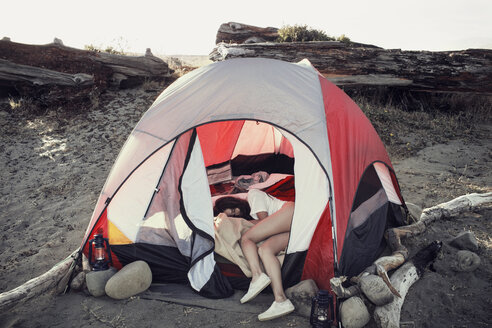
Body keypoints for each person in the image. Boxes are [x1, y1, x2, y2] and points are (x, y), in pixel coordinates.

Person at [214, 189, 295, 321]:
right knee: (265, 250)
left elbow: (265, 220)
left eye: (235, 210)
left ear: (236, 203)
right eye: (233, 216)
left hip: (290, 213)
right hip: (293, 228)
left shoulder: (253, 194)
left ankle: (257, 276)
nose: (237, 215)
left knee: (247, 239)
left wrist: (234, 222)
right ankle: (281, 300)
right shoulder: (251, 216)